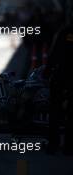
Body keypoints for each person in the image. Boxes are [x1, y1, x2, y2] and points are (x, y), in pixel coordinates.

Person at [45, 24, 73, 155]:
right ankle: (68, 147)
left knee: (55, 111)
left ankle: (53, 145)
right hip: (63, 76)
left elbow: (54, 54)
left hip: (61, 76)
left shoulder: (64, 31)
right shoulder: (64, 32)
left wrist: (46, 72)